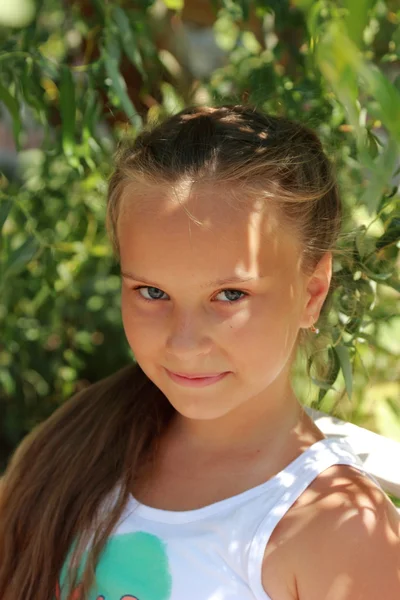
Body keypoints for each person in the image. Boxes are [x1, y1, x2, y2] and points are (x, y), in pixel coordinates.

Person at [0, 105, 399, 600]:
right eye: (151, 292)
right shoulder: (77, 445)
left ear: (312, 293)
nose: (184, 342)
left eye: (231, 295)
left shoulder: (337, 530)